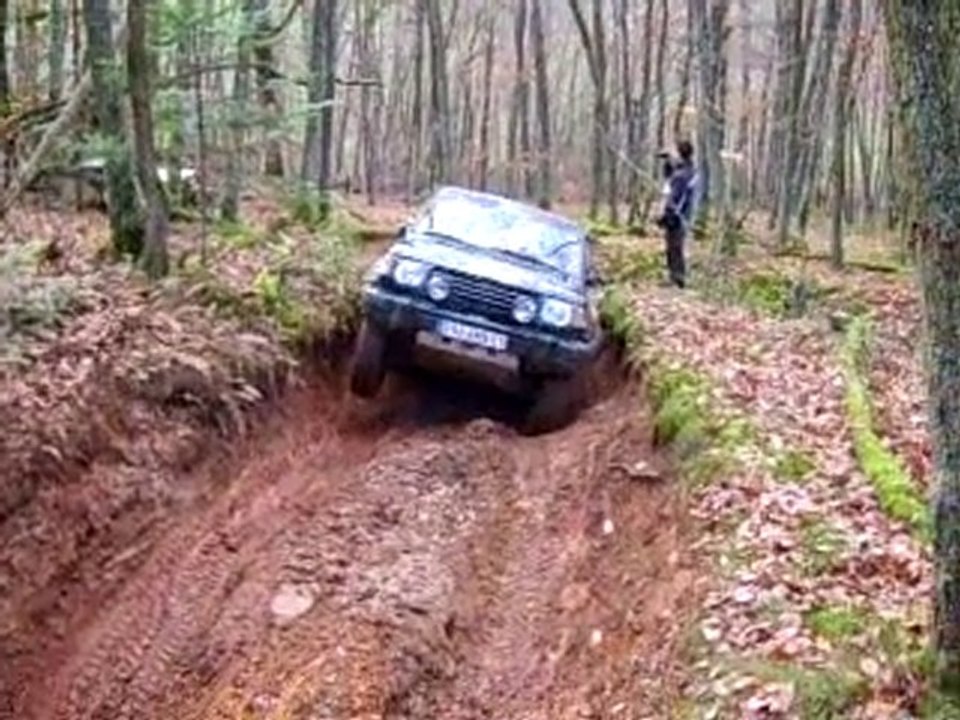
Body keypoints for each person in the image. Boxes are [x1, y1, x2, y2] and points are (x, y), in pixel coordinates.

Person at [656, 140, 698, 288]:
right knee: (676, 246)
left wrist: (665, 215)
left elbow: (673, 195)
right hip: (685, 215)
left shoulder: (681, 175)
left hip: (677, 216)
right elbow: (670, 177)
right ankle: (677, 276)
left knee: (673, 247)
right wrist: (668, 163)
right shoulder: (690, 170)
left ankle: (677, 278)